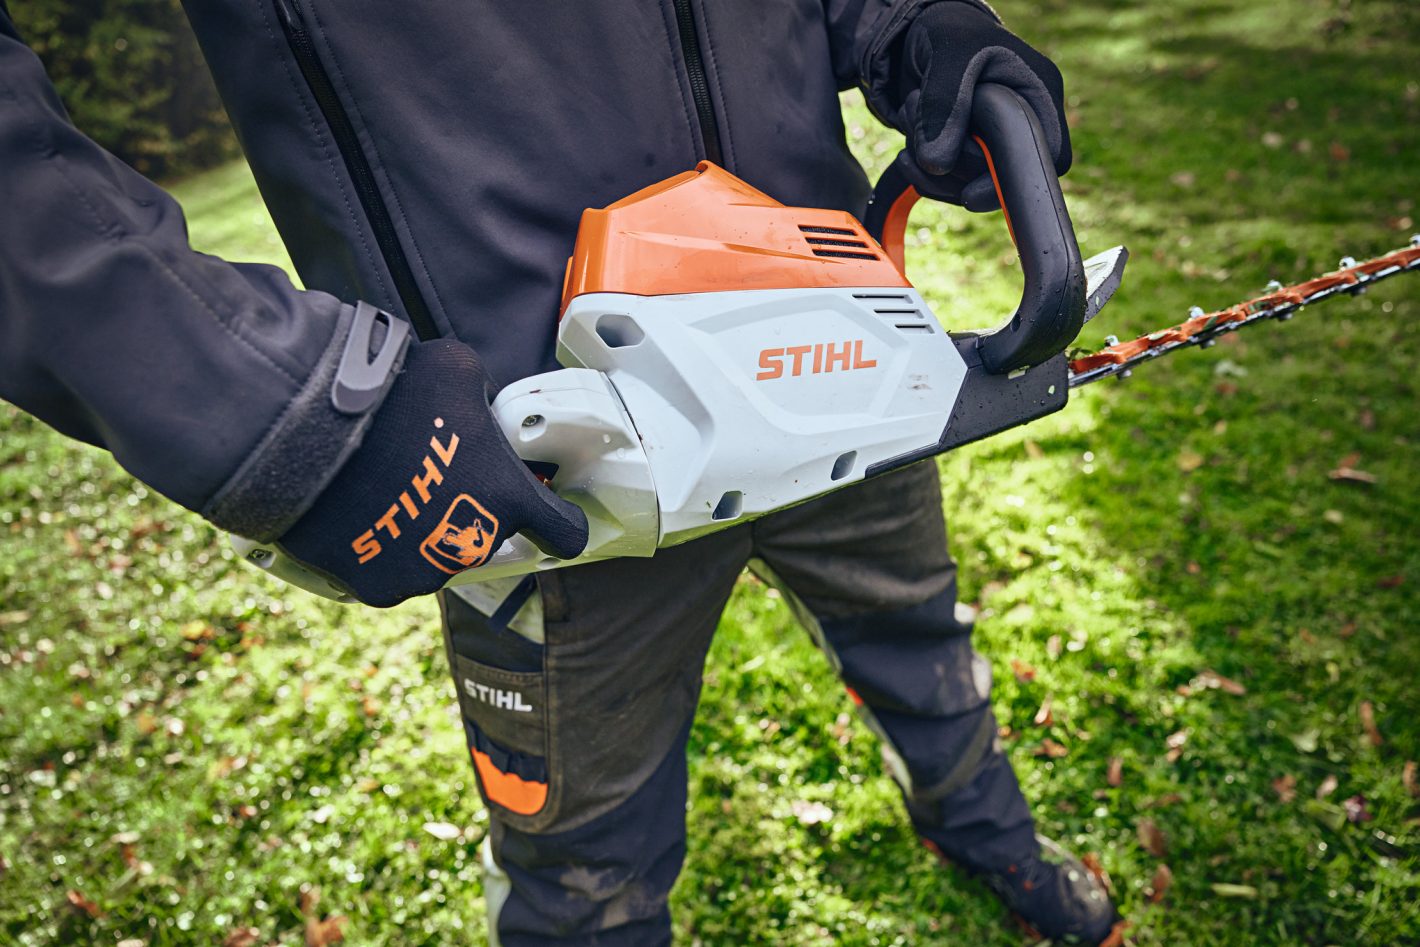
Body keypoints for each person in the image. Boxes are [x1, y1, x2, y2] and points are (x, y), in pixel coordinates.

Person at [0, 1, 1121, 943]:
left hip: (837, 333)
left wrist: (914, 25)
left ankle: (982, 824)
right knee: (581, 866)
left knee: (918, 633)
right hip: (538, 444)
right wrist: (270, 396)